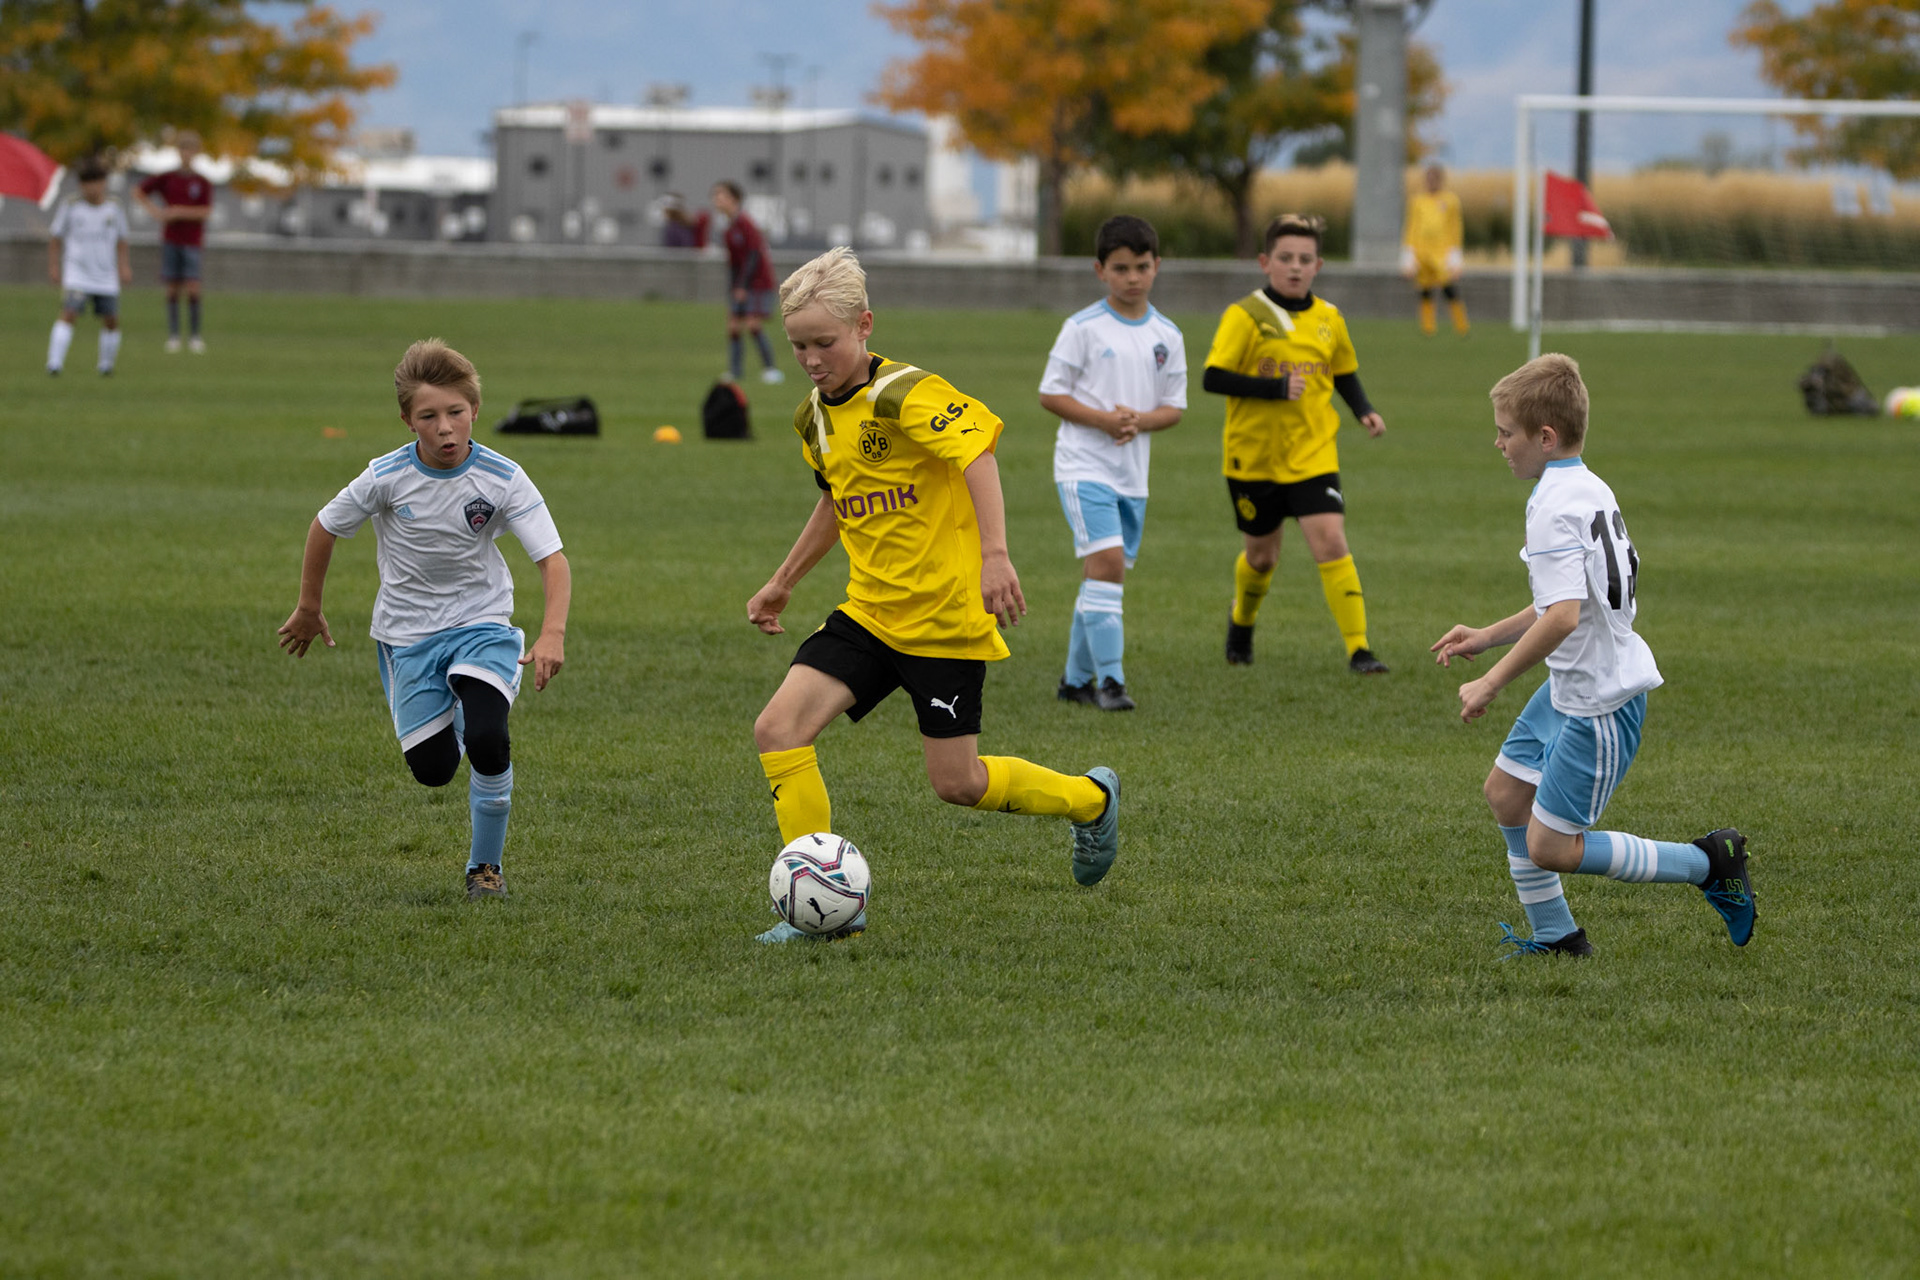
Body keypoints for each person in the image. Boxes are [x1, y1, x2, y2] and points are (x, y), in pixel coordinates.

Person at [748, 246, 1119, 943]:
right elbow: (837, 500)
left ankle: (1091, 800)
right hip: (868, 613)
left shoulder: (906, 394)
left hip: (944, 619)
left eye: (825, 342)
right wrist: (783, 581)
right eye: (798, 345)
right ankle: (821, 905)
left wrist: (995, 556)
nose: (811, 359)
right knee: (778, 729)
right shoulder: (814, 418)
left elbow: (977, 455)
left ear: (864, 325)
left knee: (959, 784)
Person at [1430, 353, 1754, 957]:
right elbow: (1563, 602)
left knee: (1551, 846)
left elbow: (1563, 616)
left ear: (1544, 437)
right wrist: (1486, 635)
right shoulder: (1585, 485)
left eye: (1505, 432)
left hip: (1600, 699)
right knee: (1506, 793)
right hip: (1570, 687)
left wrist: (1491, 681)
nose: (1497, 443)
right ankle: (1557, 937)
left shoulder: (1552, 505)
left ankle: (1710, 863)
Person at [277, 340, 572, 902]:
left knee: (488, 739)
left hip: (482, 623)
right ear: (407, 420)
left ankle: (485, 868)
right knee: (433, 770)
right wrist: (309, 606)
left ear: (475, 410)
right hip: (407, 636)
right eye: (428, 416)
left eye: (456, 412)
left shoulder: (503, 477)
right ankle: (460, 708)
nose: (444, 428)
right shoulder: (386, 476)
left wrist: (552, 631)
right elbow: (325, 525)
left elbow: (552, 559)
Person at [1202, 213, 1389, 675]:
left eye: (1305, 259)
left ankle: (1360, 650)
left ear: (1318, 265)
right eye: (1285, 258)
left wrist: (1363, 409)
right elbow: (1213, 377)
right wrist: (1274, 388)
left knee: (1331, 541)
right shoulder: (1245, 315)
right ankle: (1242, 622)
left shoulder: (1329, 318)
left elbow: (1343, 371)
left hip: (1313, 453)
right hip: (1254, 457)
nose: (1295, 267)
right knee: (1262, 557)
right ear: (1265, 262)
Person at [1038, 214, 1185, 712]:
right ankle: (1112, 682)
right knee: (1107, 565)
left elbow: (1174, 407)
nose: (1132, 277)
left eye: (1142, 267)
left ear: (1156, 266)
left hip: (1132, 476)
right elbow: (1051, 394)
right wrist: (1103, 421)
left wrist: (1138, 421)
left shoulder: (1167, 334)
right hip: (1083, 466)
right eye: (1120, 268)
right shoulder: (1081, 328)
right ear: (1100, 270)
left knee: (1101, 573)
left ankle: (1075, 680)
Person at [45, 159, 130, 377]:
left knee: (111, 319)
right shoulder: (71, 205)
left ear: (104, 183)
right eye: (87, 183)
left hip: (106, 274)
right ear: (81, 185)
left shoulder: (114, 207)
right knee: (69, 313)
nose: (92, 188)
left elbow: (122, 239)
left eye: (97, 182)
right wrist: (54, 266)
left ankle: (106, 365)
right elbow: (55, 237)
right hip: (78, 273)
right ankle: (54, 364)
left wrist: (124, 266)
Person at [135, 131, 214, 354]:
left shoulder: (202, 182)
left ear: (197, 153)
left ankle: (195, 336)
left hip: (192, 241)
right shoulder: (168, 178)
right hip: (171, 240)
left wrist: (179, 212)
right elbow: (138, 192)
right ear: (178, 152)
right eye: (183, 149)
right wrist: (157, 213)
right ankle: (174, 336)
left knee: (193, 287)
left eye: (191, 150)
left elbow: (206, 212)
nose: (187, 154)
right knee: (171, 288)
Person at [710, 180, 782, 384]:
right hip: (741, 285)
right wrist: (733, 288)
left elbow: (753, 255)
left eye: (721, 195)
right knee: (733, 326)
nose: (716, 200)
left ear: (734, 199)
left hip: (757, 283)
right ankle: (735, 372)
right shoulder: (728, 228)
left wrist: (743, 286)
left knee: (752, 324)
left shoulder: (745, 223)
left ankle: (771, 369)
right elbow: (733, 263)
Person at [1401, 163, 1469, 337]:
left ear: (1440, 180)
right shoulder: (1417, 201)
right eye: (1429, 179)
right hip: (1422, 251)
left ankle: (1461, 325)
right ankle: (1428, 327)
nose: (1431, 182)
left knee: (1448, 287)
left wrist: (1455, 254)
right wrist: (1409, 253)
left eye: (1434, 178)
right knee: (1425, 288)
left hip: (1442, 252)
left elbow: (1456, 227)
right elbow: (1412, 226)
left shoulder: (1450, 201)